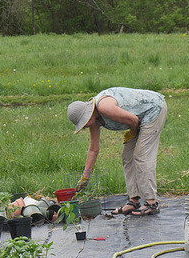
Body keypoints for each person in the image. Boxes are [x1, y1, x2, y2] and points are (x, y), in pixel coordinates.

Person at [67, 87, 167, 216]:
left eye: (84, 122)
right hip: (137, 119)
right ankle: (134, 201)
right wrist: (85, 177)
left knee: (141, 155)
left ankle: (151, 203)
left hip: (153, 110)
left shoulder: (104, 107)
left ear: (89, 113)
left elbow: (133, 120)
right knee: (127, 156)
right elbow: (93, 149)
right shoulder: (95, 120)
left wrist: (132, 133)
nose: (85, 126)